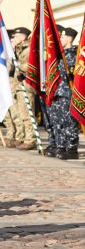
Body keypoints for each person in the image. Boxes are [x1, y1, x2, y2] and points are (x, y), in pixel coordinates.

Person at [47, 27, 81, 160]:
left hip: (68, 93)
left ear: (69, 39)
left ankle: (71, 148)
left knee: (69, 122)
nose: (60, 40)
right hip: (57, 92)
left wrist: (71, 73)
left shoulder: (73, 55)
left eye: (62, 37)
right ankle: (61, 145)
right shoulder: (59, 55)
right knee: (57, 121)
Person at [6, 27, 37, 150]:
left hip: (26, 85)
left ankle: (30, 139)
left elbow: (31, 66)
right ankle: (21, 137)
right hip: (17, 85)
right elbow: (10, 68)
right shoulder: (18, 49)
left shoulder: (29, 49)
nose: (14, 39)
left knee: (27, 114)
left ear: (24, 36)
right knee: (20, 114)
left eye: (17, 36)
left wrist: (18, 64)